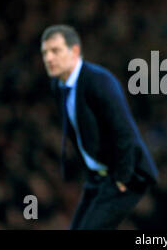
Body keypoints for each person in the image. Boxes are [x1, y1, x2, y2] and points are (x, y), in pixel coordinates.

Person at [40, 24, 158, 229]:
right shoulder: (58, 86)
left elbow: (123, 131)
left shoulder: (99, 81)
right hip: (98, 178)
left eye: (55, 51)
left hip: (124, 175)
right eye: (45, 53)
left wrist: (122, 177)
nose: (49, 58)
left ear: (74, 50)